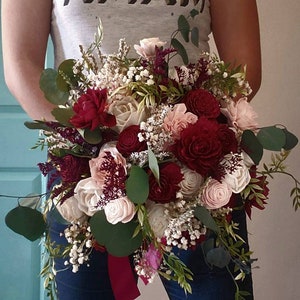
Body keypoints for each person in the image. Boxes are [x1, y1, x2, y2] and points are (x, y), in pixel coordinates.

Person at [2, 0, 261, 299]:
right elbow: (20, 66)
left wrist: (175, 141)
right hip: (86, 173)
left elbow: (244, 67)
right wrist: (90, 144)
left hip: (195, 169)